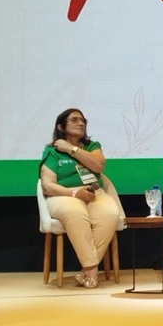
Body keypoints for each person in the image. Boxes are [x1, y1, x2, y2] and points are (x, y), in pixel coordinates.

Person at [39, 108, 120, 289]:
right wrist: (75, 194)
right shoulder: (52, 152)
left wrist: (71, 149)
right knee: (76, 213)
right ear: (61, 126)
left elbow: (98, 166)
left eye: (83, 120)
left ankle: (86, 270)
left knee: (110, 214)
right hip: (64, 194)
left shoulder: (92, 146)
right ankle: (91, 270)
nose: (81, 123)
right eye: (74, 120)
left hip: (93, 192)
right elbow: (48, 185)